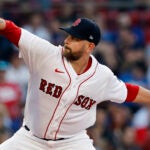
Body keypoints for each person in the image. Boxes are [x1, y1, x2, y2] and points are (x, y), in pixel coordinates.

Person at [0, 17, 150, 150]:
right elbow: (9, 28)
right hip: (29, 139)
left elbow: (129, 91)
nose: (67, 41)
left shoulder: (102, 76)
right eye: (69, 35)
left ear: (90, 46)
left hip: (72, 143)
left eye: (75, 38)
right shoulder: (46, 54)